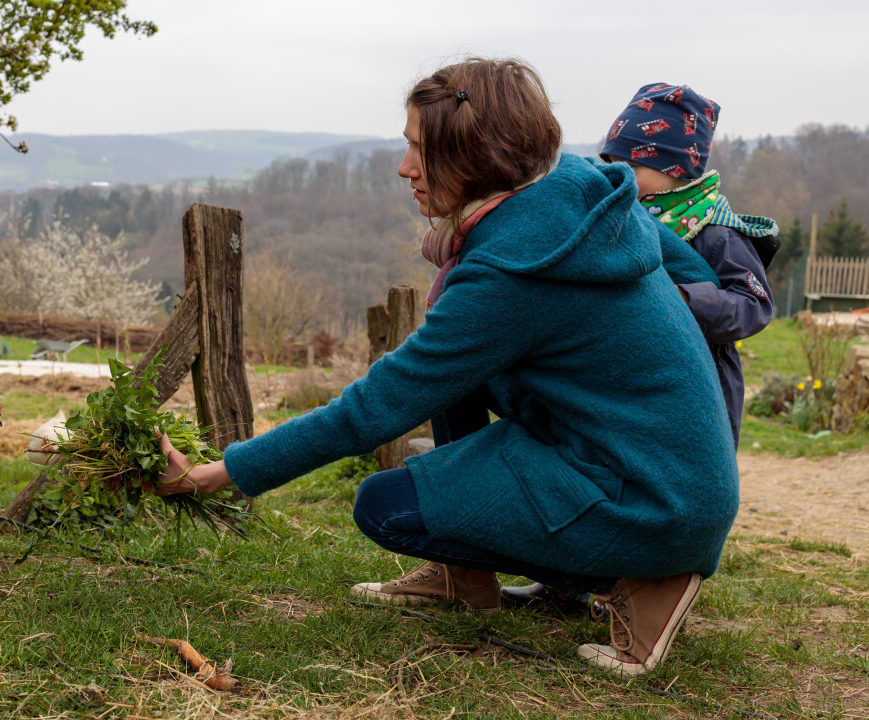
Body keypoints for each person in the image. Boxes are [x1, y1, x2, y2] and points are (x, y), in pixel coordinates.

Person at [154, 57, 739, 677]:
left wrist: (212, 475)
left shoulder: (514, 275)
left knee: (385, 507)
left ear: (475, 156)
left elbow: (375, 407)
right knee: (453, 368)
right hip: (672, 470)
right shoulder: (578, 188)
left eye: (420, 151)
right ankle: (469, 577)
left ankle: (646, 577)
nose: (405, 168)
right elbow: (698, 276)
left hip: (653, 500)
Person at [501, 82, 779, 614]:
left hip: (693, 386)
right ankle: (566, 583)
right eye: (612, 158)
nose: (620, 172)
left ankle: (647, 593)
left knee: (658, 488)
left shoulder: (713, 231)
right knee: (599, 473)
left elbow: (753, 302)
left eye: (633, 162)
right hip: (622, 376)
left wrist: (681, 300)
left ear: (677, 168)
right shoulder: (628, 215)